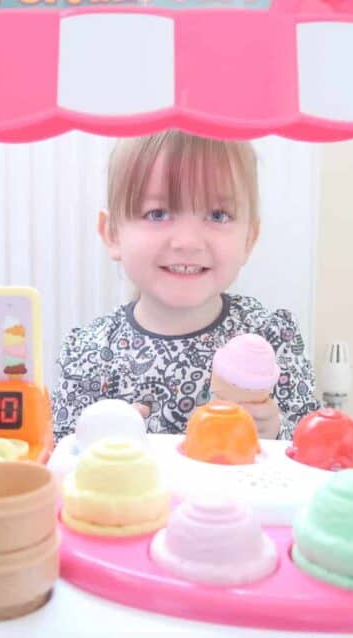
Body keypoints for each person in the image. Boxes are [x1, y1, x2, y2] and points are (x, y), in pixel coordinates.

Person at [50, 131, 319, 442]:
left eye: (218, 215)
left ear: (249, 239)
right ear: (112, 234)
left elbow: (312, 453)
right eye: (158, 213)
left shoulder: (270, 338)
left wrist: (273, 432)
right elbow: (62, 461)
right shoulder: (89, 353)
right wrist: (100, 442)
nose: (188, 242)